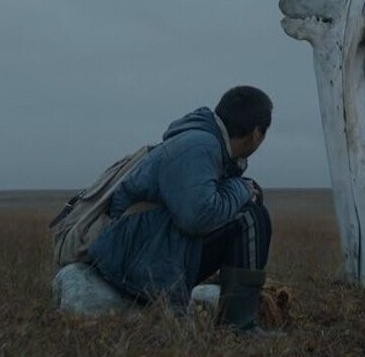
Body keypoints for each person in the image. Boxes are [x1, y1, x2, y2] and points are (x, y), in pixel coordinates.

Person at [88, 85, 275, 333]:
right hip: (135, 259)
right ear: (257, 133)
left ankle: (235, 315)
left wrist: (242, 188)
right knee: (250, 219)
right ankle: (240, 328)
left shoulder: (206, 143)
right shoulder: (200, 146)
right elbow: (197, 217)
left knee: (252, 212)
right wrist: (242, 189)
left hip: (145, 247)